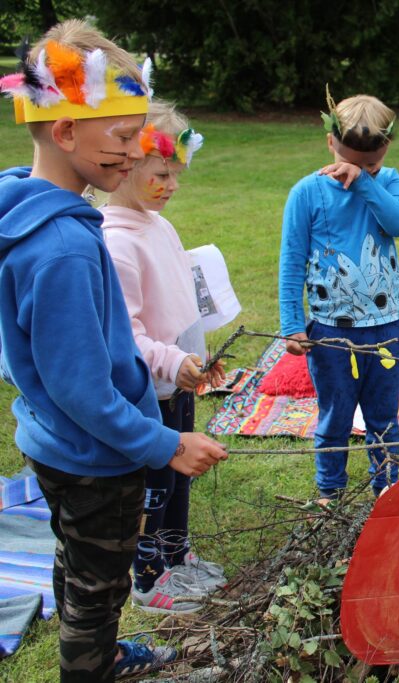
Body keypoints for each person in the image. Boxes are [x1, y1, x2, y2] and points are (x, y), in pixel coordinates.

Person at [0, 20, 227, 682]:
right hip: (96, 459)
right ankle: (90, 667)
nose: (135, 152)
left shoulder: (31, 210)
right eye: (123, 137)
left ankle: (92, 652)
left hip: (52, 445)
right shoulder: (64, 247)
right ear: (67, 132)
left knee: (77, 566)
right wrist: (166, 444)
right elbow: (84, 391)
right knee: (100, 588)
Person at [101, 100, 228, 614]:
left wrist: (197, 357)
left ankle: (176, 555)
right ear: (127, 165)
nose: (172, 185)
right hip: (147, 396)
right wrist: (173, 363)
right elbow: (125, 336)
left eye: (177, 174)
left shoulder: (158, 224)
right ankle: (150, 578)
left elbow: (178, 307)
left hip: (177, 386)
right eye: (162, 173)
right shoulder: (116, 243)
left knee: (179, 480)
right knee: (154, 487)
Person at [279, 92, 399, 501]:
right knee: (335, 415)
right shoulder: (307, 192)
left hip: (388, 328)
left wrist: (368, 182)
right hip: (331, 332)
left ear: (385, 150)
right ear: (329, 144)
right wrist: (291, 323)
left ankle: (387, 488)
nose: (355, 172)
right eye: (349, 162)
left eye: (369, 163)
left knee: (383, 416)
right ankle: (330, 491)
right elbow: (292, 260)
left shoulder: (387, 182)